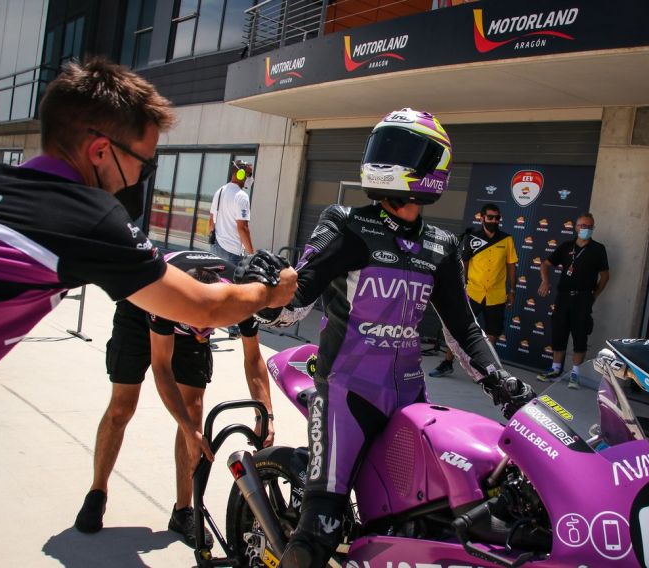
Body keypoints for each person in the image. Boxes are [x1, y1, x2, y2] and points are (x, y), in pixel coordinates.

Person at [248, 108, 535, 568]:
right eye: (381, 147)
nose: (384, 159)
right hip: (345, 394)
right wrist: (263, 287)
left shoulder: (441, 246)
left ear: (434, 163)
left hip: (409, 398)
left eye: (400, 150)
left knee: (433, 517)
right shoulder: (346, 223)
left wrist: (500, 382)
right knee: (321, 527)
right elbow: (294, 304)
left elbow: (463, 329)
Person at [0, 57, 296, 406]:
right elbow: (202, 307)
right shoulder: (88, 218)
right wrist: (269, 293)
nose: (143, 178)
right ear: (101, 151)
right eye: (144, 163)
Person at [75, 251, 276, 545]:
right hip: (139, 311)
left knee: (194, 411)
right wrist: (188, 429)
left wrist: (265, 415)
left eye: (206, 326)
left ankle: (183, 510)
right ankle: (97, 491)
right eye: (194, 323)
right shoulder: (165, 294)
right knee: (122, 407)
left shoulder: (239, 299)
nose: (200, 335)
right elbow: (161, 366)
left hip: (185, 315)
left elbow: (253, 360)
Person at [430, 203, 517, 377]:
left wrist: (512, 290)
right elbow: (465, 265)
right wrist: (459, 287)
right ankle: (447, 362)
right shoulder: (472, 238)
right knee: (458, 328)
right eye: (490, 217)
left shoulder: (507, 239)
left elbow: (511, 266)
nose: (494, 220)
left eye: (497, 218)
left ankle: (488, 370)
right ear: (482, 217)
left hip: (496, 294)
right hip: (473, 292)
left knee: (492, 332)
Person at [536, 213, 609, 388]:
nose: (585, 229)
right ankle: (555, 370)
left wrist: (594, 295)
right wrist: (545, 281)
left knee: (580, 334)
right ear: (576, 227)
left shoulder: (598, 249)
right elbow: (545, 264)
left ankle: (576, 374)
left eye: (589, 226)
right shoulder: (566, 246)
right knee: (559, 332)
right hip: (563, 297)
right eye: (582, 226)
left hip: (583, 298)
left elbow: (605, 276)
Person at [209, 160, 255, 338]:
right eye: (249, 174)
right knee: (233, 292)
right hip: (232, 251)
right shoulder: (242, 197)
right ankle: (234, 328)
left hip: (216, 246)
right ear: (241, 174)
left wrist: (212, 239)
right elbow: (243, 228)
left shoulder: (219, 191)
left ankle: (209, 324)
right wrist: (251, 252)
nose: (250, 178)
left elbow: (211, 220)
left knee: (215, 287)